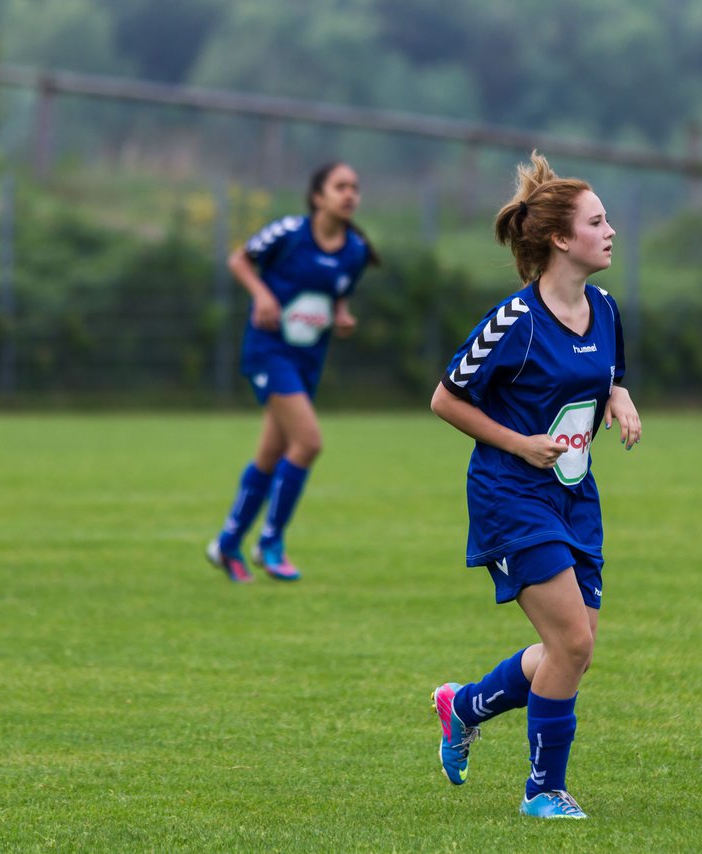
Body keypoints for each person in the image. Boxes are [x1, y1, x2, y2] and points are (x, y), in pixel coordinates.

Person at [428, 152, 641, 820]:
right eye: (597, 221)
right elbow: (445, 399)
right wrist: (521, 443)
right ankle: (542, 790)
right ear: (559, 239)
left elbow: (606, 372)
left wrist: (620, 397)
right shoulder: (513, 322)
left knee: (570, 650)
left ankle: (464, 706)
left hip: (575, 497)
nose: (611, 232)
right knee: (572, 644)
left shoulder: (604, 309)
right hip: (510, 496)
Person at [205, 162, 378, 581]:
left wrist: (342, 315)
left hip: (307, 361)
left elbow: (337, 294)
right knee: (308, 441)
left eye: (354, 187)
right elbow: (239, 260)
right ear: (317, 196)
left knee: (269, 456)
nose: (350, 194)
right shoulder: (288, 232)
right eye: (340, 186)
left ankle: (227, 544)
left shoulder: (354, 251)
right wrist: (262, 295)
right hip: (270, 352)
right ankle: (270, 542)